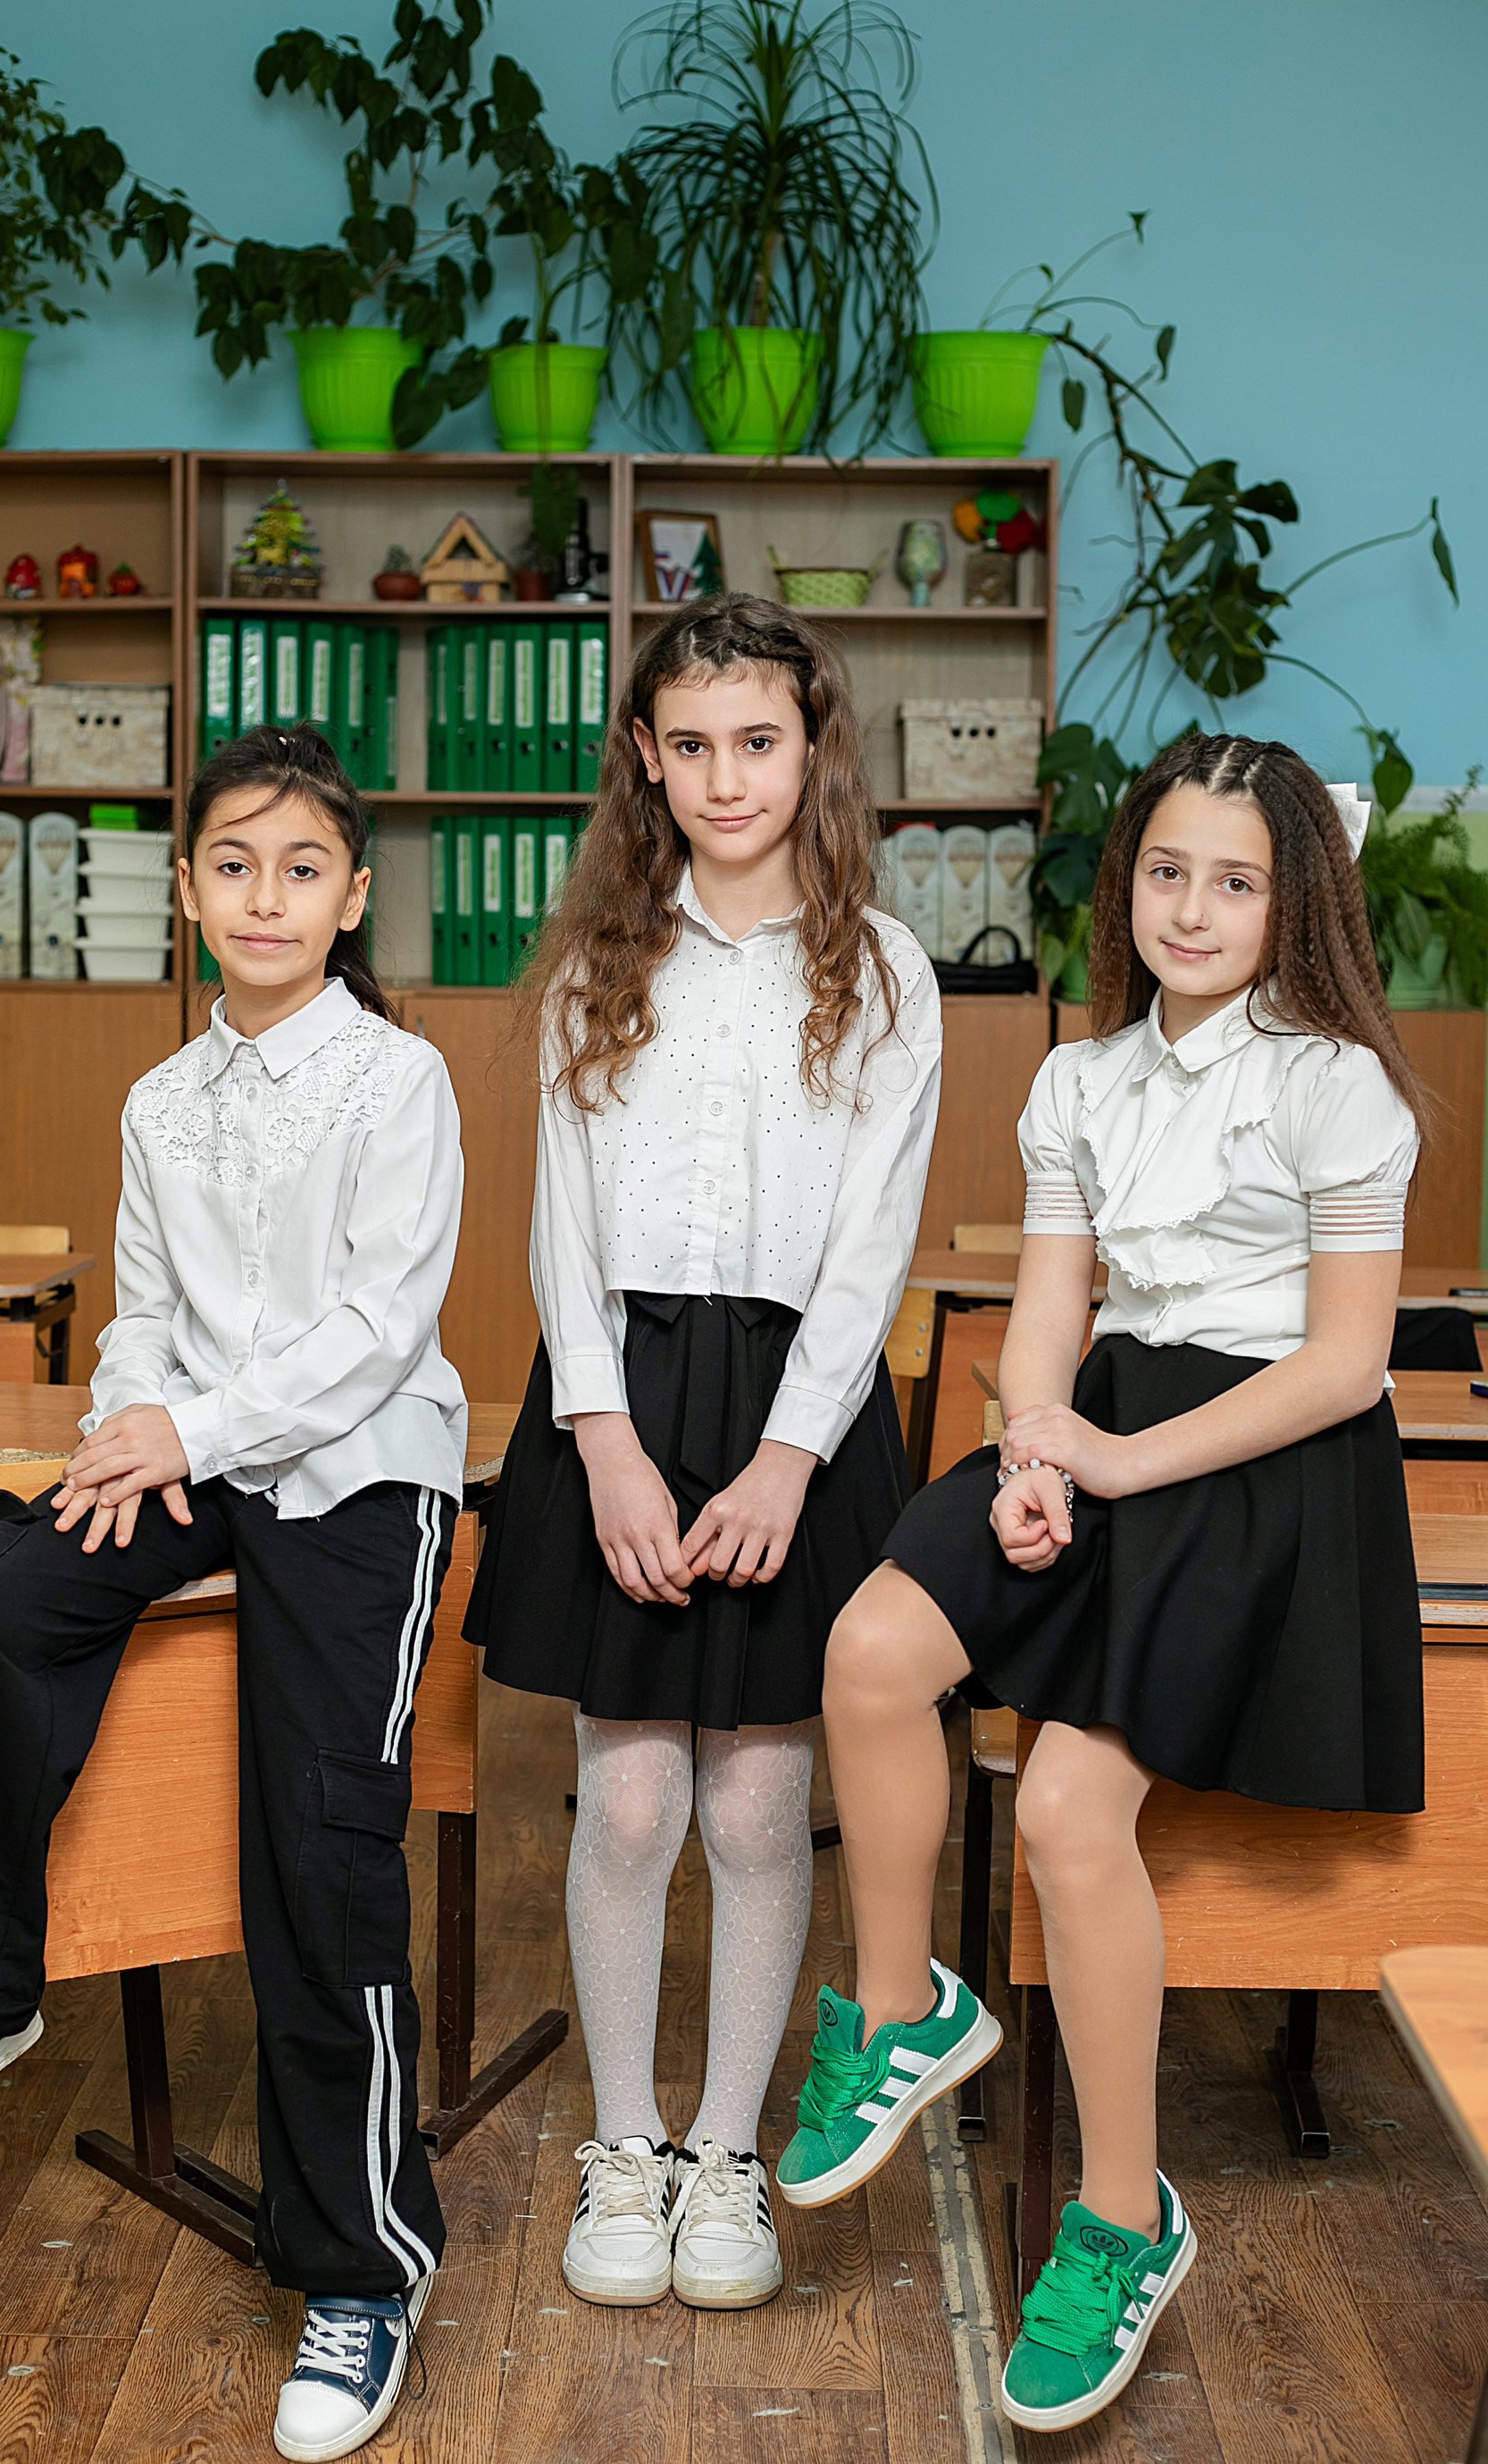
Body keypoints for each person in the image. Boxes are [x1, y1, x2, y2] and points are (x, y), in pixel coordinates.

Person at [0, 725, 467, 2464]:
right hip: (190, 1453)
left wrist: (186, 1424)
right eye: (234, 866)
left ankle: (363, 2268)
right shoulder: (160, 1100)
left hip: (357, 1472)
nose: (266, 897)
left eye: (302, 869)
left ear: (352, 899)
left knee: (317, 1848)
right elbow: (142, 1313)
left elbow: (376, 1334)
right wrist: (129, 1427)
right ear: (187, 890)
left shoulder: (395, 1082)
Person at [777, 733, 1425, 2431]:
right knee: (870, 1649)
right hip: (1107, 1424)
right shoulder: (1079, 1082)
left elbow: (1347, 1363)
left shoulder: (1339, 1087)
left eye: (1236, 882)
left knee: (1068, 1813)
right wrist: (1038, 1452)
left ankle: (1126, 2221)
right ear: (1125, 881)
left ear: (1295, 904)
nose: (1192, 909)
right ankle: (905, 2011)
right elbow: (1053, 1305)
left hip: (1267, 1462)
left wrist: (1123, 1466)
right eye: (1166, 872)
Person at [465, 591, 967, 2312]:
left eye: (759, 741)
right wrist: (603, 1442)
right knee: (627, 1802)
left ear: (813, 749)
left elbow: (873, 1252)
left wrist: (787, 1459)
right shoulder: (599, 963)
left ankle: (729, 2154)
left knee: (758, 1809)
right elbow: (561, 1228)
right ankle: (626, 2147)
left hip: (795, 1411)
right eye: (691, 745)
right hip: (618, 1392)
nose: (728, 776)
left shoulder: (884, 972)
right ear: (647, 759)